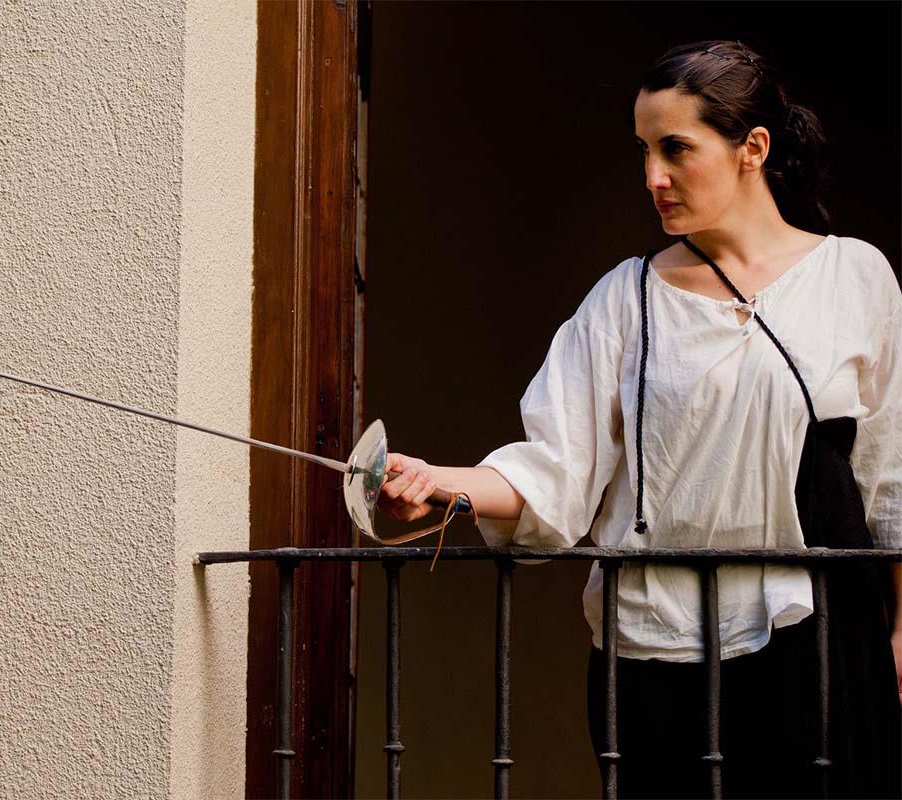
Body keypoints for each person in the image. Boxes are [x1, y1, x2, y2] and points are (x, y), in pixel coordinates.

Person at [379, 40, 901, 799]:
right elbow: (555, 468)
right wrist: (438, 483)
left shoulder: (853, 276)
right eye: (644, 151)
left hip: (818, 643)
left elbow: (888, 476)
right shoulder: (625, 299)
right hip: (655, 657)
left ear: (753, 148)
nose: (653, 176)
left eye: (675, 149)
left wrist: (899, 631)